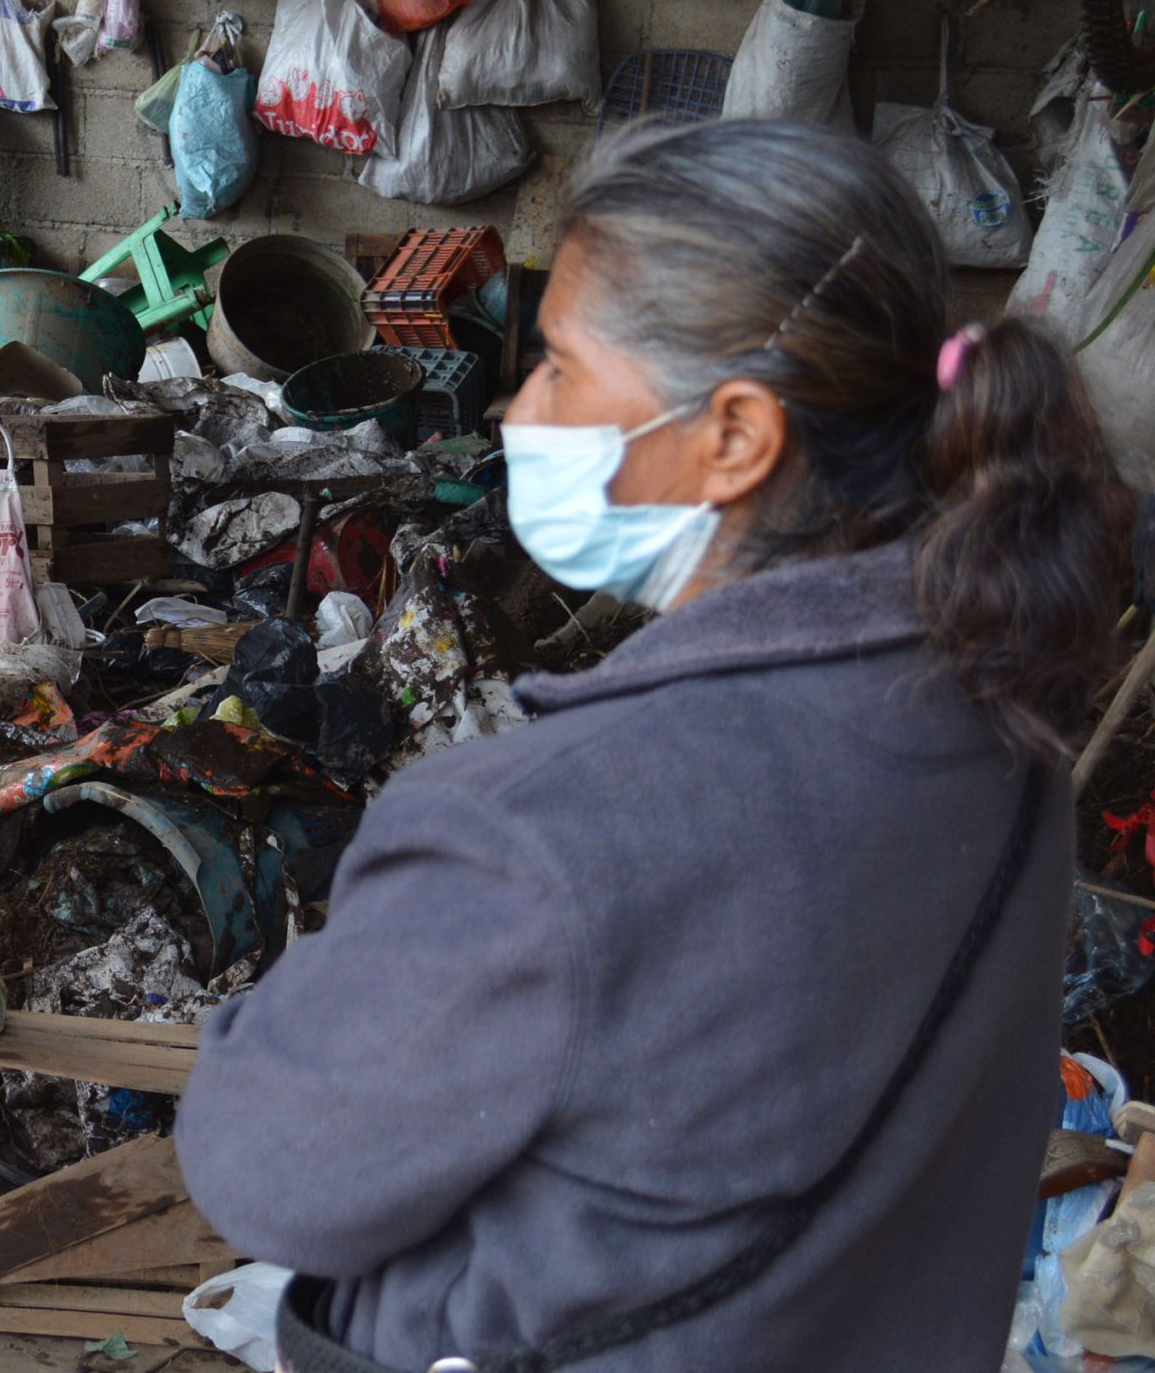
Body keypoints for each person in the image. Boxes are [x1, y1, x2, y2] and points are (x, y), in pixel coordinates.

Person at [179, 121, 1122, 1373]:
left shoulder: (541, 823)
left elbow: (271, 1169)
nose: (522, 406)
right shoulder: (1000, 721)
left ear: (734, 435)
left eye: (564, 367)